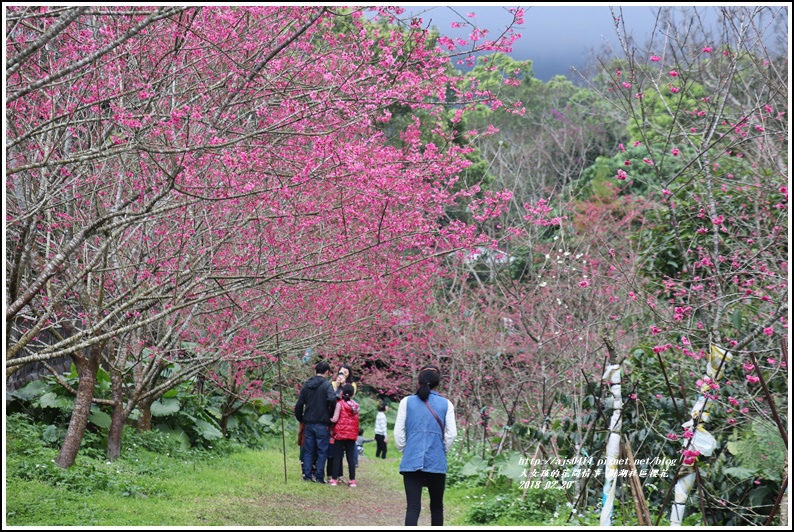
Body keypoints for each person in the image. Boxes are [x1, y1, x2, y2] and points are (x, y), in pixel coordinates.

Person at [394, 365, 457, 526]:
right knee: (436, 507)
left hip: (411, 461)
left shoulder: (406, 402)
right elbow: (452, 434)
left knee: (413, 507)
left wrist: (405, 450)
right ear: (438, 383)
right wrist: (442, 450)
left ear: (419, 381)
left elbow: (398, 432)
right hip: (436, 462)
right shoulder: (446, 404)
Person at [294, 362, 336, 483]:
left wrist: (300, 418)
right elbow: (332, 399)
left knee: (308, 450)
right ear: (327, 372)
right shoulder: (327, 385)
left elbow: (299, 404)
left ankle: (307, 475)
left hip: (309, 422)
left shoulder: (307, 385)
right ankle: (319, 476)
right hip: (322, 423)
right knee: (322, 451)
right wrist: (331, 414)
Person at [328, 364, 357, 479]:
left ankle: (341, 476)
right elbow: (331, 396)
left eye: (346, 372)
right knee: (335, 449)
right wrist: (337, 384)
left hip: (344, 418)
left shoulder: (352, 385)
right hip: (335, 415)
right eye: (341, 372)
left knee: (347, 451)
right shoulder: (333, 383)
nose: (343, 374)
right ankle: (335, 474)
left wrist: (344, 384)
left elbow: (351, 394)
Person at [329, 383, 360, 487]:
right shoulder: (356, 406)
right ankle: (352, 480)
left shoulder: (340, 404)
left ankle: (334, 479)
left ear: (342, 392)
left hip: (340, 434)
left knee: (337, 457)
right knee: (350, 458)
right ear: (352, 394)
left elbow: (335, 419)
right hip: (351, 436)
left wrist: (328, 420)